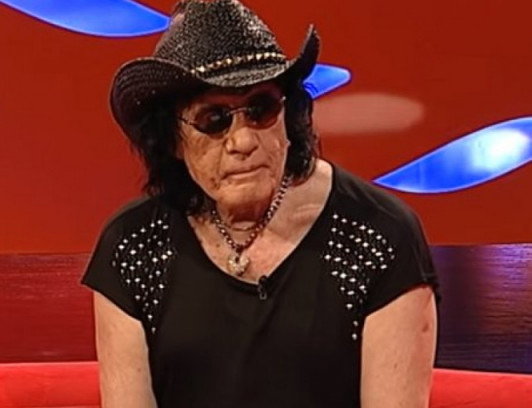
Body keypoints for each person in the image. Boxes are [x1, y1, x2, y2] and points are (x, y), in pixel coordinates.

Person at [81, 0, 439, 407]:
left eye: (261, 109)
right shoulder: (133, 246)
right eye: (214, 119)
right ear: (173, 140)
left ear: (290, 114)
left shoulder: (380, 234)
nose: (244, 141)